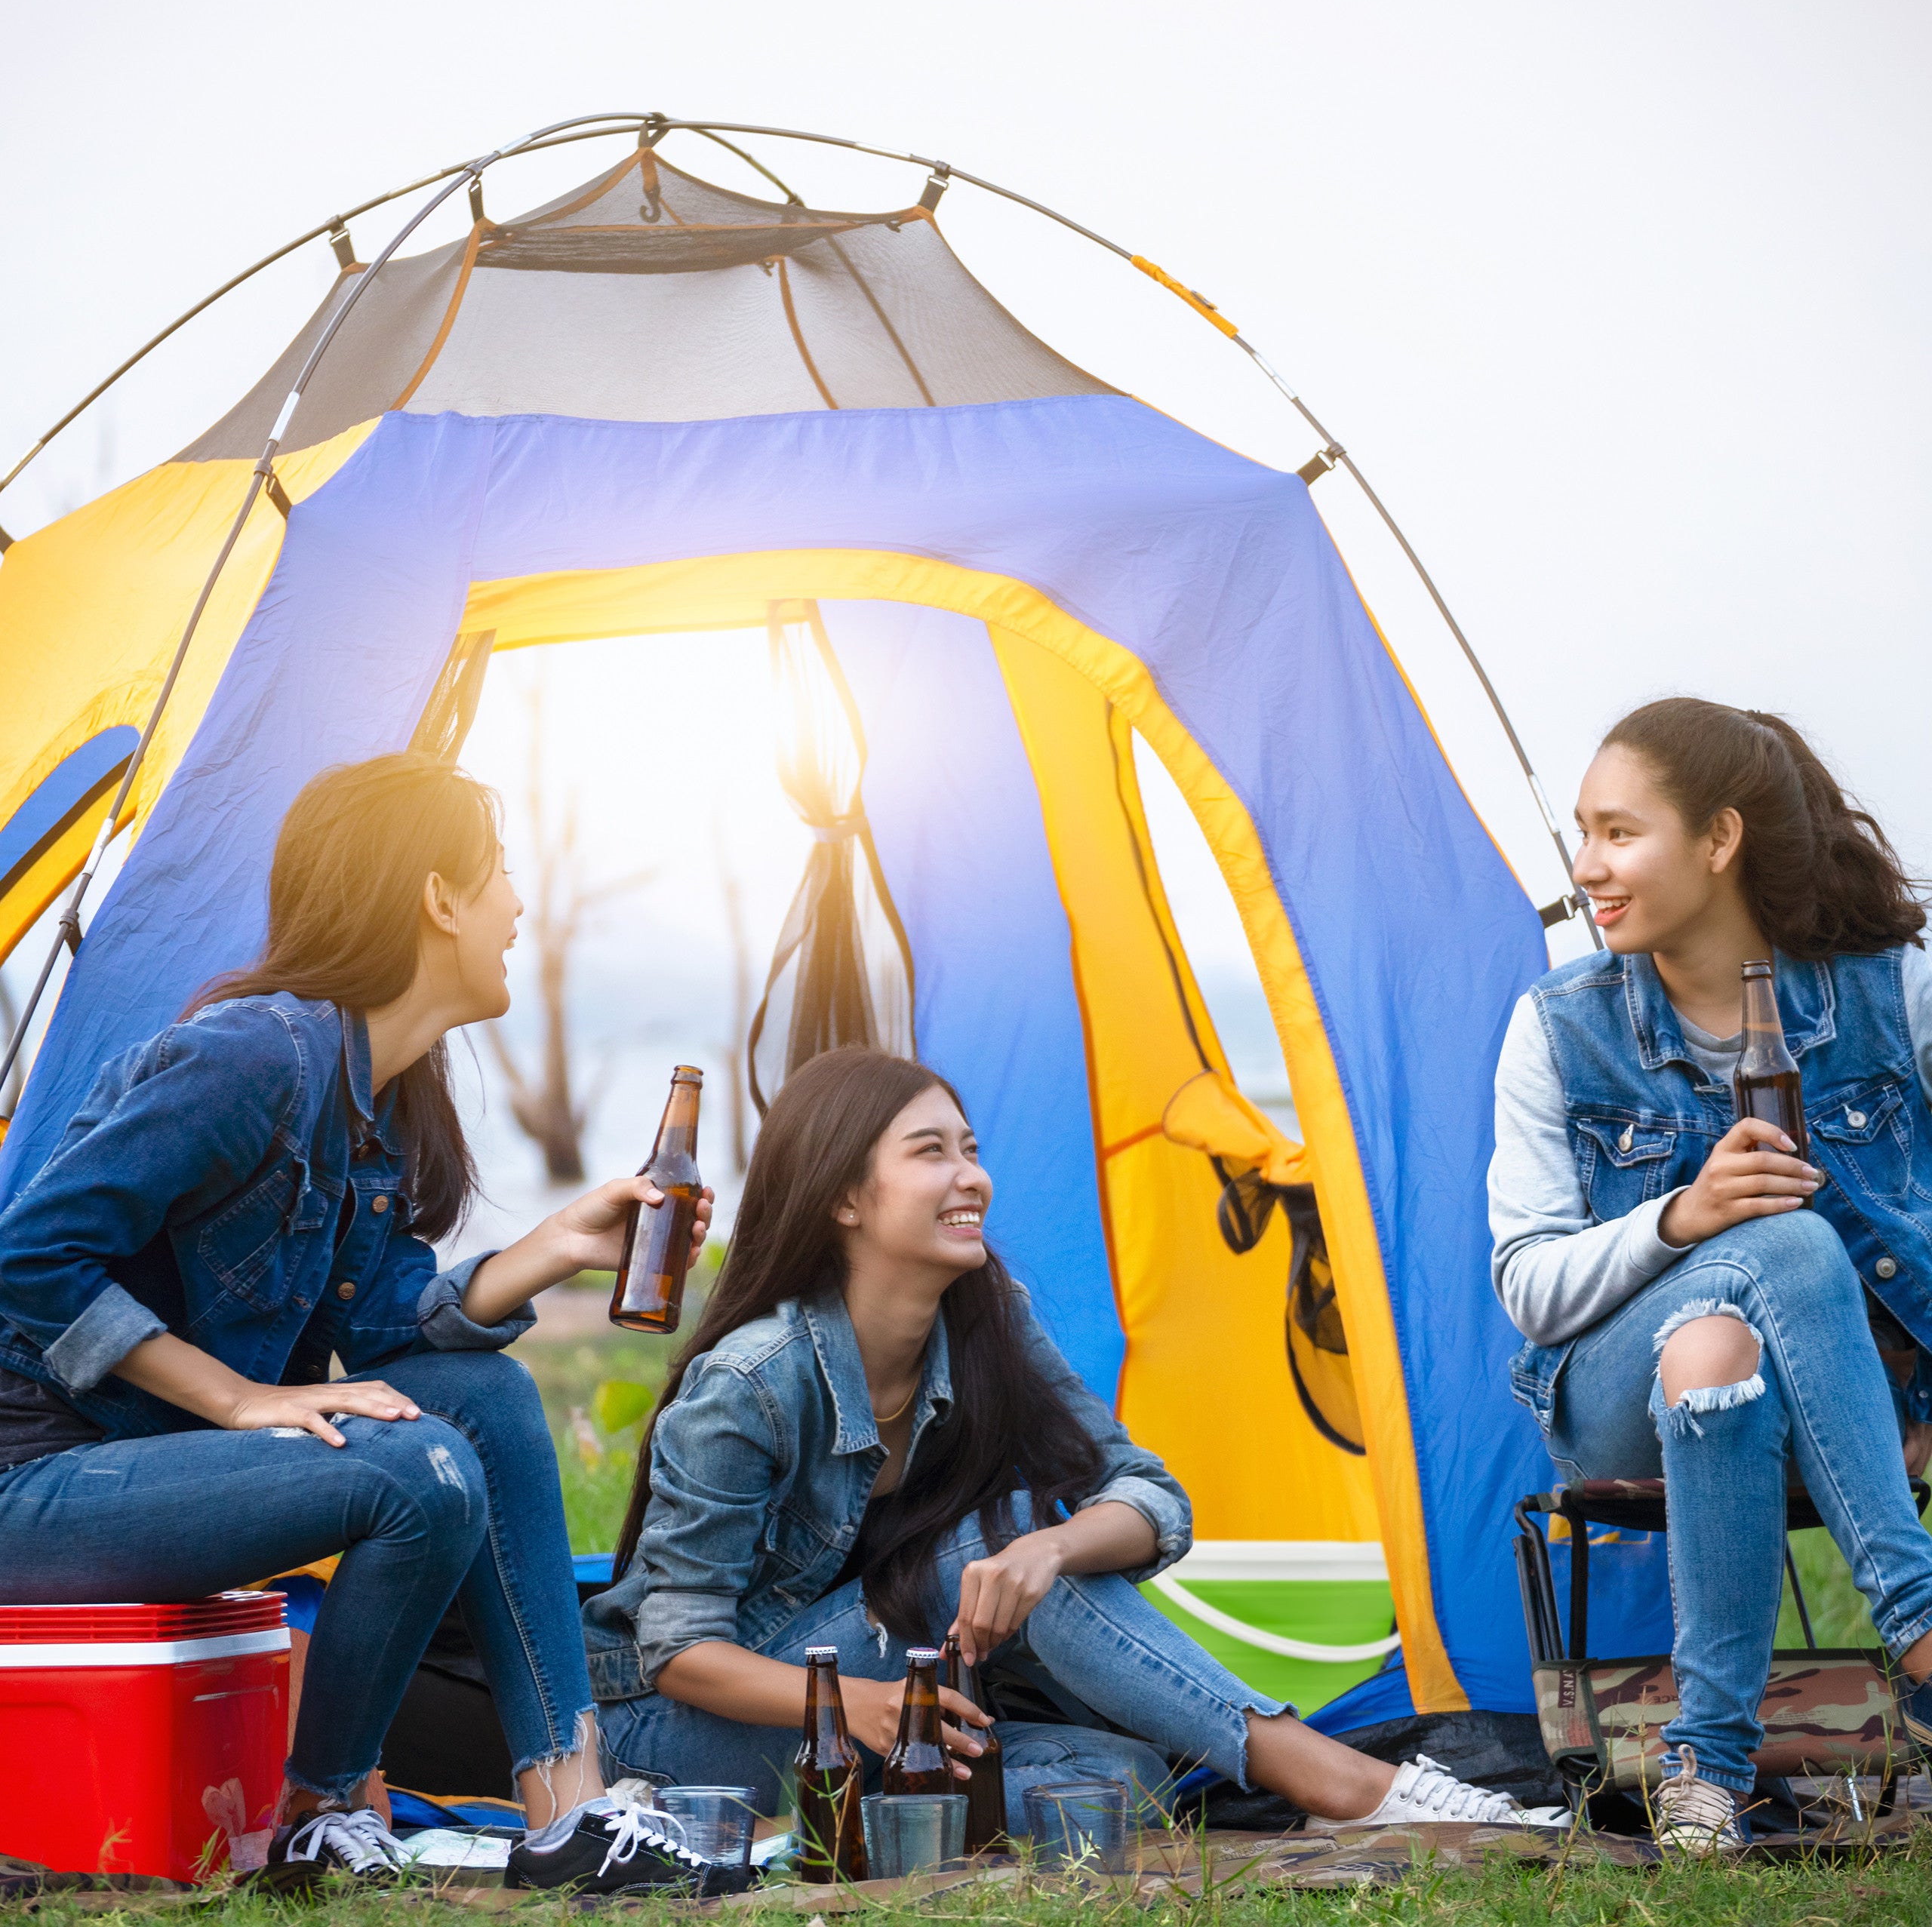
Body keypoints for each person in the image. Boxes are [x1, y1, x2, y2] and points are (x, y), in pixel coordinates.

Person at [0, 753, 737, 1898]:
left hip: (151, 1473)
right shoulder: (252, 1057)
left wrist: (554, 1246)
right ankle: (323, 1805)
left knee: (481, 1402)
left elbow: (393, 1325)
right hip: (36, 1485)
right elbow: (27, 1255)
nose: (518, 906)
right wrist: (246, 1401)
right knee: (423, 1472)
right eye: (499, 874)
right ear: (437, 897)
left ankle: (568, 1805)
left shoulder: (377, 1107)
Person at [587, 1045, 1568, 1833]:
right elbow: (680, 1652)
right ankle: (1352, 1788)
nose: (971, 1175)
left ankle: (884, 1815)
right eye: (930, 1153)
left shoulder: (987, 1321)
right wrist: (872, 1709)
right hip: (682, 1736)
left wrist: (1051, 1547)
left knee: (1119, 1783)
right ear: (846, 1197)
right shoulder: (753, 1383)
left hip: (889, 1712)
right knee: (990, 1534)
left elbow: (1152, 1500)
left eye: (969, 1148)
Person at [1492, 698, 1932, 1852]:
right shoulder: (1558, 1027)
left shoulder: (1890, 995)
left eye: (1619, 834)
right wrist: (1679, 1218)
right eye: (1581, 835)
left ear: (1719, 840)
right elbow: (1530, 1285)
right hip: (1609, 1402)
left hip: (1854, 1398)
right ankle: (1923, 1627)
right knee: (1783, 1246)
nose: (1589, 867)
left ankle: (1705, 1765)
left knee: (1717, 1355)